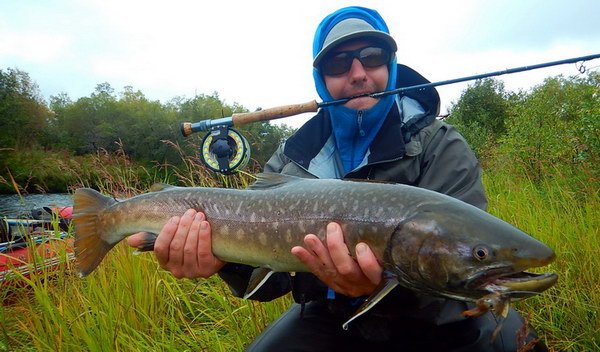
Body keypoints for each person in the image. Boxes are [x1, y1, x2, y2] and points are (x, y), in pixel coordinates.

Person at [127, 6, 547, 352]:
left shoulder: (439, 145)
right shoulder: (293, 158)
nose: (359, 72)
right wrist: (219, 261)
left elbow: (451, 275)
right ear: (322, 79)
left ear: (391, 66)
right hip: (333, 319)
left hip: (436, 320)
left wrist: (382, 285)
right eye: (338, 63)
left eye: (373, 57)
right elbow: (265, 284)